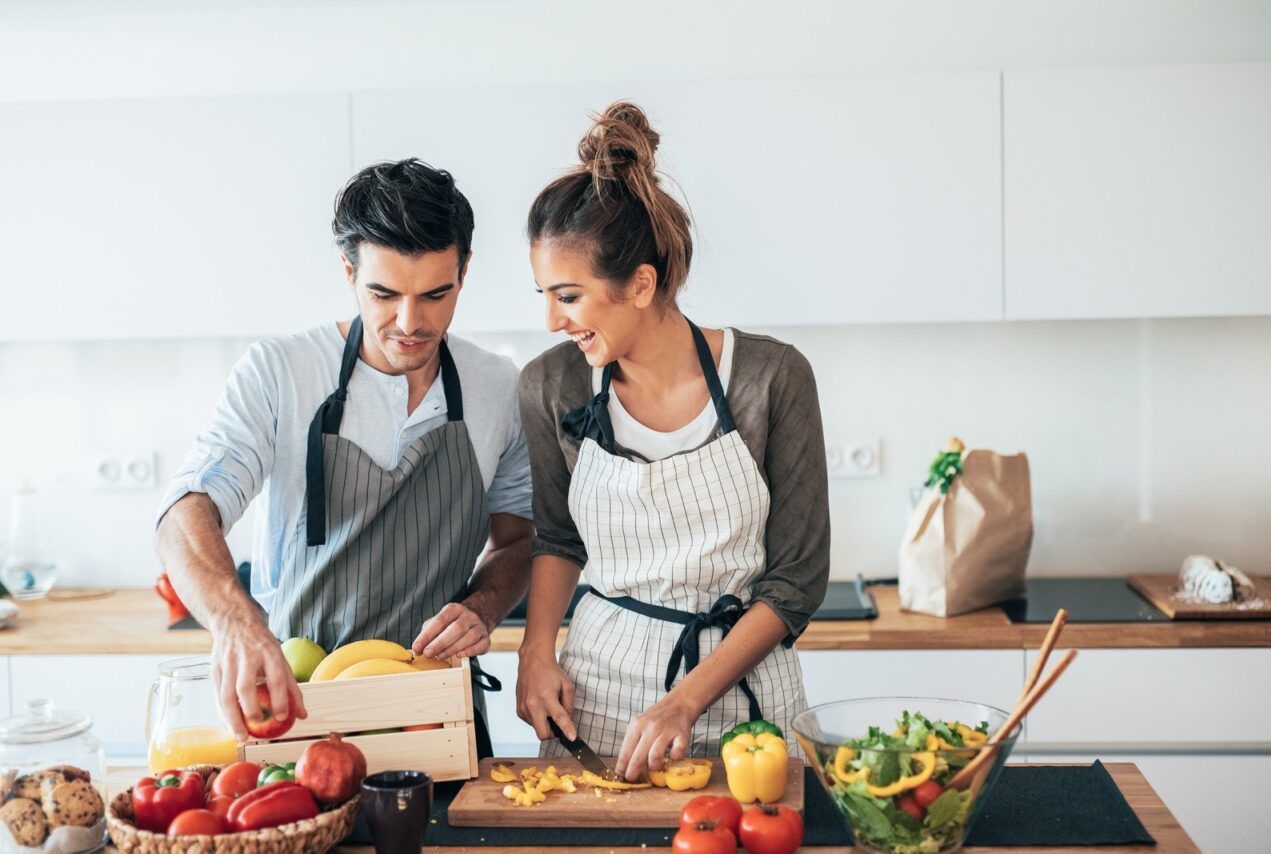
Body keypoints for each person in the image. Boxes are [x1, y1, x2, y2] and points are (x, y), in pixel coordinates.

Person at [155, 159, 533, 755]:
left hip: (435, 710)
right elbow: (186, 511)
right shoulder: (282, 371)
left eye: (436, 294)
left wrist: (484, 607)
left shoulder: (497, 388)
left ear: (464, 272)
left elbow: (517, 540)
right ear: (348, 272)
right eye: (384, 294)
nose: (410, 323)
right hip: (299, 701)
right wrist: (234, 619)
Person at [515, 102, 830, 781]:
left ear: (640, 284)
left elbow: (796, 581)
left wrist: (684, 701)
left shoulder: (770, 378)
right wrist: (535, 655)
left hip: (751, 708)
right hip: (597, 705)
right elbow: (556, 538)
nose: (549, 320)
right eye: (542, 293)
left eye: (567, 296)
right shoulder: (552, 385)